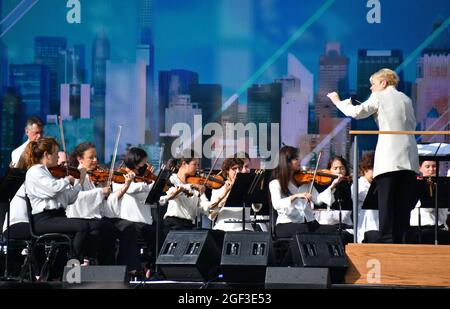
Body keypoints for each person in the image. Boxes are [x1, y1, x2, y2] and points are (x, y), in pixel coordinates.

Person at [327, 68, 419, 243]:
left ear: (383, 83)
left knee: (386, 205)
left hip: (390, 159)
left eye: (373, 84)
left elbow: (356, 112)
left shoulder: (380, 96)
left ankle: (388, 245)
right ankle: (404, 246)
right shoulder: (406, 99)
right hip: (409, 159)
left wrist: (338, 101)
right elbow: (412, 124)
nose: (371, 89)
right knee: (403, 207)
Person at [66, 142, 138, 268]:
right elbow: (77, 199)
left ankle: (128, 268)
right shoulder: (76, 176)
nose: (95, 160)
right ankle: (105, 265)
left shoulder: (96, 177)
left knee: (128, 226)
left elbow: (107, 204)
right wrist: (100, 191)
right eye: (91, 157)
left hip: (99, 216)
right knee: (107, 229)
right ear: (80, 159)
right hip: (83, 217)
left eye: (96, 157)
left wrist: (125, 186)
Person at [22, 137, 91, 264]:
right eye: (55, 154)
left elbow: (69, 199)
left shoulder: (49, 173)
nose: (58, 158)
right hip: (43, 219)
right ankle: (73, 265)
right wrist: (67, 180)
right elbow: (53, 188)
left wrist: (79, 183)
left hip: (57, 216)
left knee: (91, 226)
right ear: (46, 155)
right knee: (82, 227)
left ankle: (70, 263)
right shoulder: (35, 171)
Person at [269, 146, 344, 239]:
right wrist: (296, 196)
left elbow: (318, 200)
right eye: (296, 159)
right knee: (304, 231)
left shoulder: (305, 181)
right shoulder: (276, 183)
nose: (300, 161)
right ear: (287, 162)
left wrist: (333, 185)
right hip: (286, 224)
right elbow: (276, 204)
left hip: (309, 223)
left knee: (336, 231)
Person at [161, 151, 209, 234]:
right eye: (195, 164)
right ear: (184, 164)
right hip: (174, 224)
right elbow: (170, 194)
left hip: (189, 225)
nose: (197, 168)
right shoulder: (171, 180)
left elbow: (204, 205)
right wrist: (191, 186)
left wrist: (220, 199)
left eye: (198, 165)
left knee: (212, 235)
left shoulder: (196, 183)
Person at [206, 157, 254, 232]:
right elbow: (211, 215)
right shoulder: (219, 187)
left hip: (246, 228)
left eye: (240, 168)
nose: (238, 171)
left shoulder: (248, 187)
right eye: (234, 168)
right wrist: (225, 194)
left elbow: (256, 209)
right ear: (227, 171)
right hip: (225, 228)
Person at [409, 160, 450, 244]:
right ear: (420, 168)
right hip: (418, 227)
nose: (431, 170)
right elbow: (429, 207)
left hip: (439, 227)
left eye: (434, 166)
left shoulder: (443, 184)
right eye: (427, 167)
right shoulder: (415, 185)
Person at [314, 156, 353, 229]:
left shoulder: (349, 184)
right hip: (326, 223)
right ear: (329, 170)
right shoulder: (323, 184)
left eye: (341, 168)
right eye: (335, 168)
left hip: (346, 222)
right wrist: (333, 185)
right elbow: (320, 201)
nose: (338, 171)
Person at [354, 152, 379, 243]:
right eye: (373, 169)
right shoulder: (358, 184)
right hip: (365, 224)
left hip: (378, 224)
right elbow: (364, 196)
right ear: (365, 169)